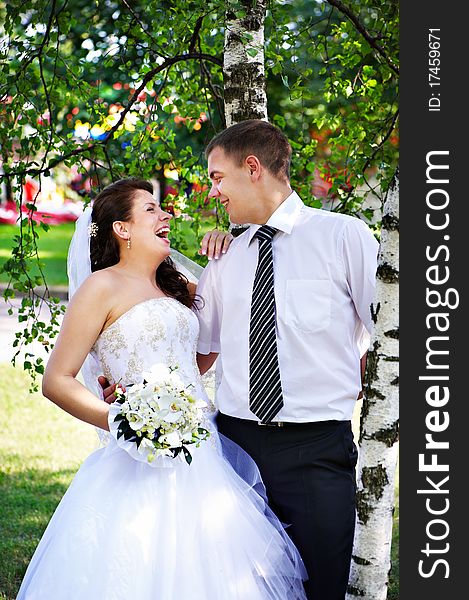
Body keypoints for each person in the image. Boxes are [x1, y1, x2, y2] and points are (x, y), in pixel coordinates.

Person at [16, 178, 307, 600]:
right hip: (136, 459)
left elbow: (208, 348)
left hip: (202, 452)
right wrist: (124, 420)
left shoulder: (179, 288)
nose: (165, 215)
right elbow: (56, 380)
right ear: (123, 229)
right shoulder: (101, 288)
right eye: (151, 209)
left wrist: (227, 248)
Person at [194, 120, 379, 600]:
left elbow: (388, 331)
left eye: (217, 177)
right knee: (239, 588)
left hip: (316, 448)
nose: (213, 191)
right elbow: (199, 351)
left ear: (252, 168)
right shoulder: (225, 255)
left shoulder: (345, 237)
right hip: (235, 451)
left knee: (320, 586)